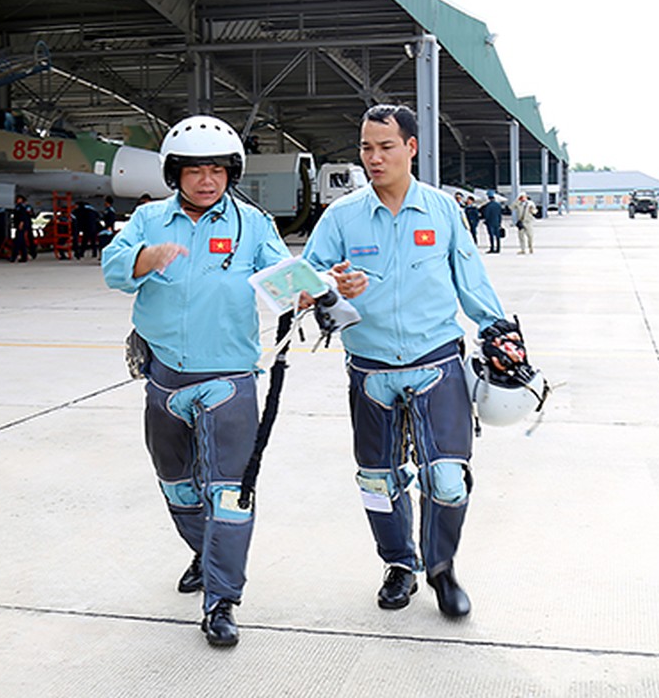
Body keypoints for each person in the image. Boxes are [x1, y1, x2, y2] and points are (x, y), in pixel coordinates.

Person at [301, 104, 525, 619]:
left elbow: (472, 281)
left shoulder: (444, 212)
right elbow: (302, 282)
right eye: (365, 148)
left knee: (446, 478)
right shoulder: (341, 217)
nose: (374, 158)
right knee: (378, 480)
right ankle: (399, 564)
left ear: (411, 148)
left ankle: (442, 570)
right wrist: (331, 286)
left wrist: (497, 331)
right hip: (371, 369)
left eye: (384, 147)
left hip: (437, 362)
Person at [102, 115, 291, 648]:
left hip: (228, 378)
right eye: (194, 170)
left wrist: (313, 291)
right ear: (174, 173)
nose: (207, 180)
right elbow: (113, 266)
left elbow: (283, 274)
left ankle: (222, 601)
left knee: (229, 494)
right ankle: (206, 555)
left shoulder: (252, 224)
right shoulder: (147, 219)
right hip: (164, 377)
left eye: (217, 170)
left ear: (231, 172)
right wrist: (145, 257)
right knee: (177, 484)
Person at [10, 195, 33, 262]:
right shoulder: (19, 206)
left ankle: (14, 256)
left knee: (18, 241)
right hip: (20, 225)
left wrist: (21, 223)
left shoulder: (20, 207)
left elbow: (22, 215)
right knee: (21, 242)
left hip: (21, 226)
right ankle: (24, 257)